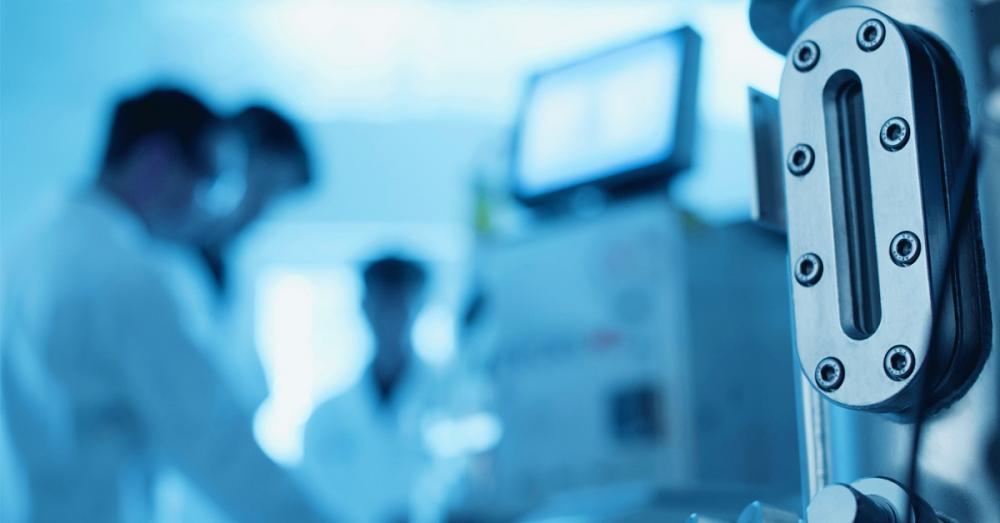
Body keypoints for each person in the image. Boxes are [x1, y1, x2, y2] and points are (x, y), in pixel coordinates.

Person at [1, 86, 331, 523]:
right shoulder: (123, 272)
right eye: (209, 182)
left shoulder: (28, 243)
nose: (209, 205)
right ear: (156, 162)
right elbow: (213, 439)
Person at [302, 254, 438, 523]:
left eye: (400, 305)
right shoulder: (325, 420)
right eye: (382, 305)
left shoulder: (455, 405)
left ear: (421, 306)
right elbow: (311, 502)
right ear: (364, 307)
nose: (391, 318)